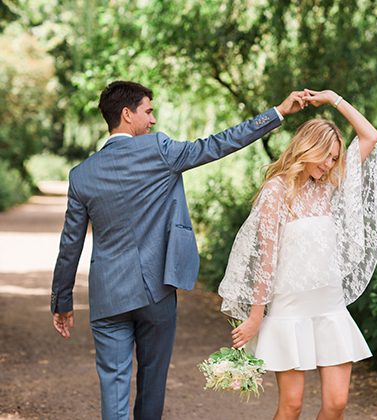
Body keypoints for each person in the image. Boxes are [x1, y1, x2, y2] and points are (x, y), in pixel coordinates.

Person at [50, 80, 307, 420]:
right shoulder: (159, 149)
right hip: (156, 290)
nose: (153, 121)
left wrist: (62, 300)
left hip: (108, 295)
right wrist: (278, 113)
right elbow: (220, 143)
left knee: (113, 384)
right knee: (153, 382)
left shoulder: (81, 175)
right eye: (148, 112)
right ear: (127, 115)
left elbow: (71, 243)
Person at [218, 89, 377, 420]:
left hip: (329, 306)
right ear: (309, 147)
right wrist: (254, 317)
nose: (330, 164)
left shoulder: (330, 185)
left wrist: (333, 98)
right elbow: (267, 260)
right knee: (291, 407)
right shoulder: (276, 191)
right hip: (289, 309)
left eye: (335, 158)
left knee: (336, 404)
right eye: (326, 155)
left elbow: (370, 135)